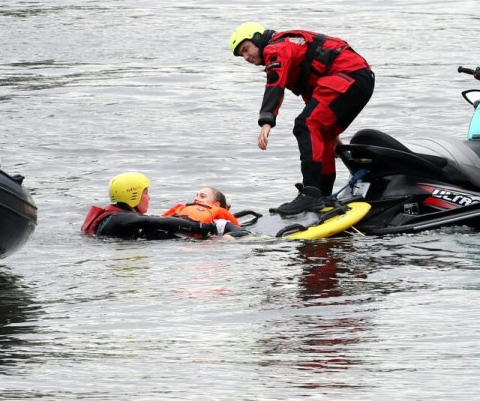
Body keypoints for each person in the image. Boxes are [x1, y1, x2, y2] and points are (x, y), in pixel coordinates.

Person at [229, 21, 374, 216]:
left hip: (349, 76)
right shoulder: (287, 47)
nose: (246, 57)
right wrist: (332, 132)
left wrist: (266, 121)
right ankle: (322, 195)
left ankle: (311, 194)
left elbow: (274, 84)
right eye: (241, 56)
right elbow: (314, 91)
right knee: (319, 132)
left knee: (305, 125)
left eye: (246, 49)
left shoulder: (275, 49)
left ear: (257, 39)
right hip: (357, 79)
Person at [83, 172, 222, 240]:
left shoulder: (115, 216)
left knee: (155, 234)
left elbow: (152, 221)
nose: (149, 198)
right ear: (133, 195)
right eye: (146, 193)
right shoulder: (118, 219)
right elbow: (152, 221)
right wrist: (199, 227)